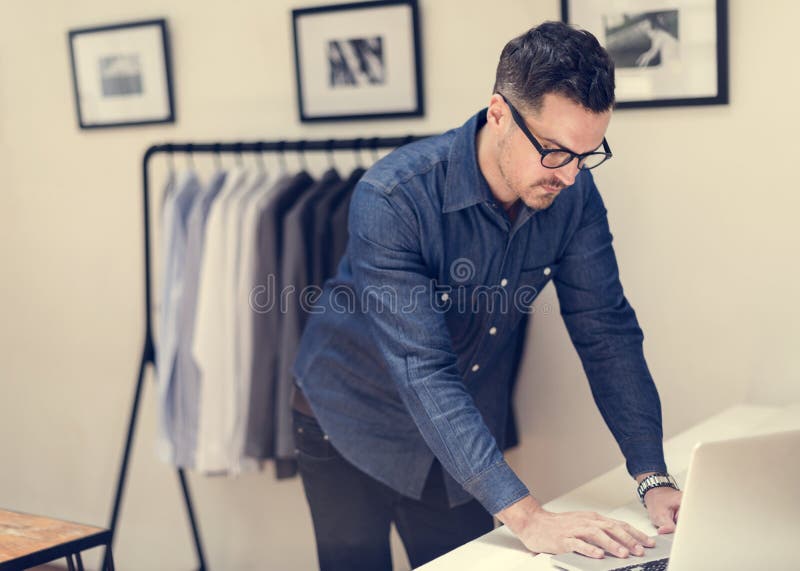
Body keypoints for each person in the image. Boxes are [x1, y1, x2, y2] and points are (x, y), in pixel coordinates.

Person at [290, 21, 683, 570]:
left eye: (587, 154)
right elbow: (423, 369)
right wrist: (528, 516)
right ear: (499, 113)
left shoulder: (572, 194)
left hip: (458, 430)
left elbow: (606, 330)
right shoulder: (392, 197)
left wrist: (652, 477)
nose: (570, 175)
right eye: (554, 150)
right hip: (350, 418)